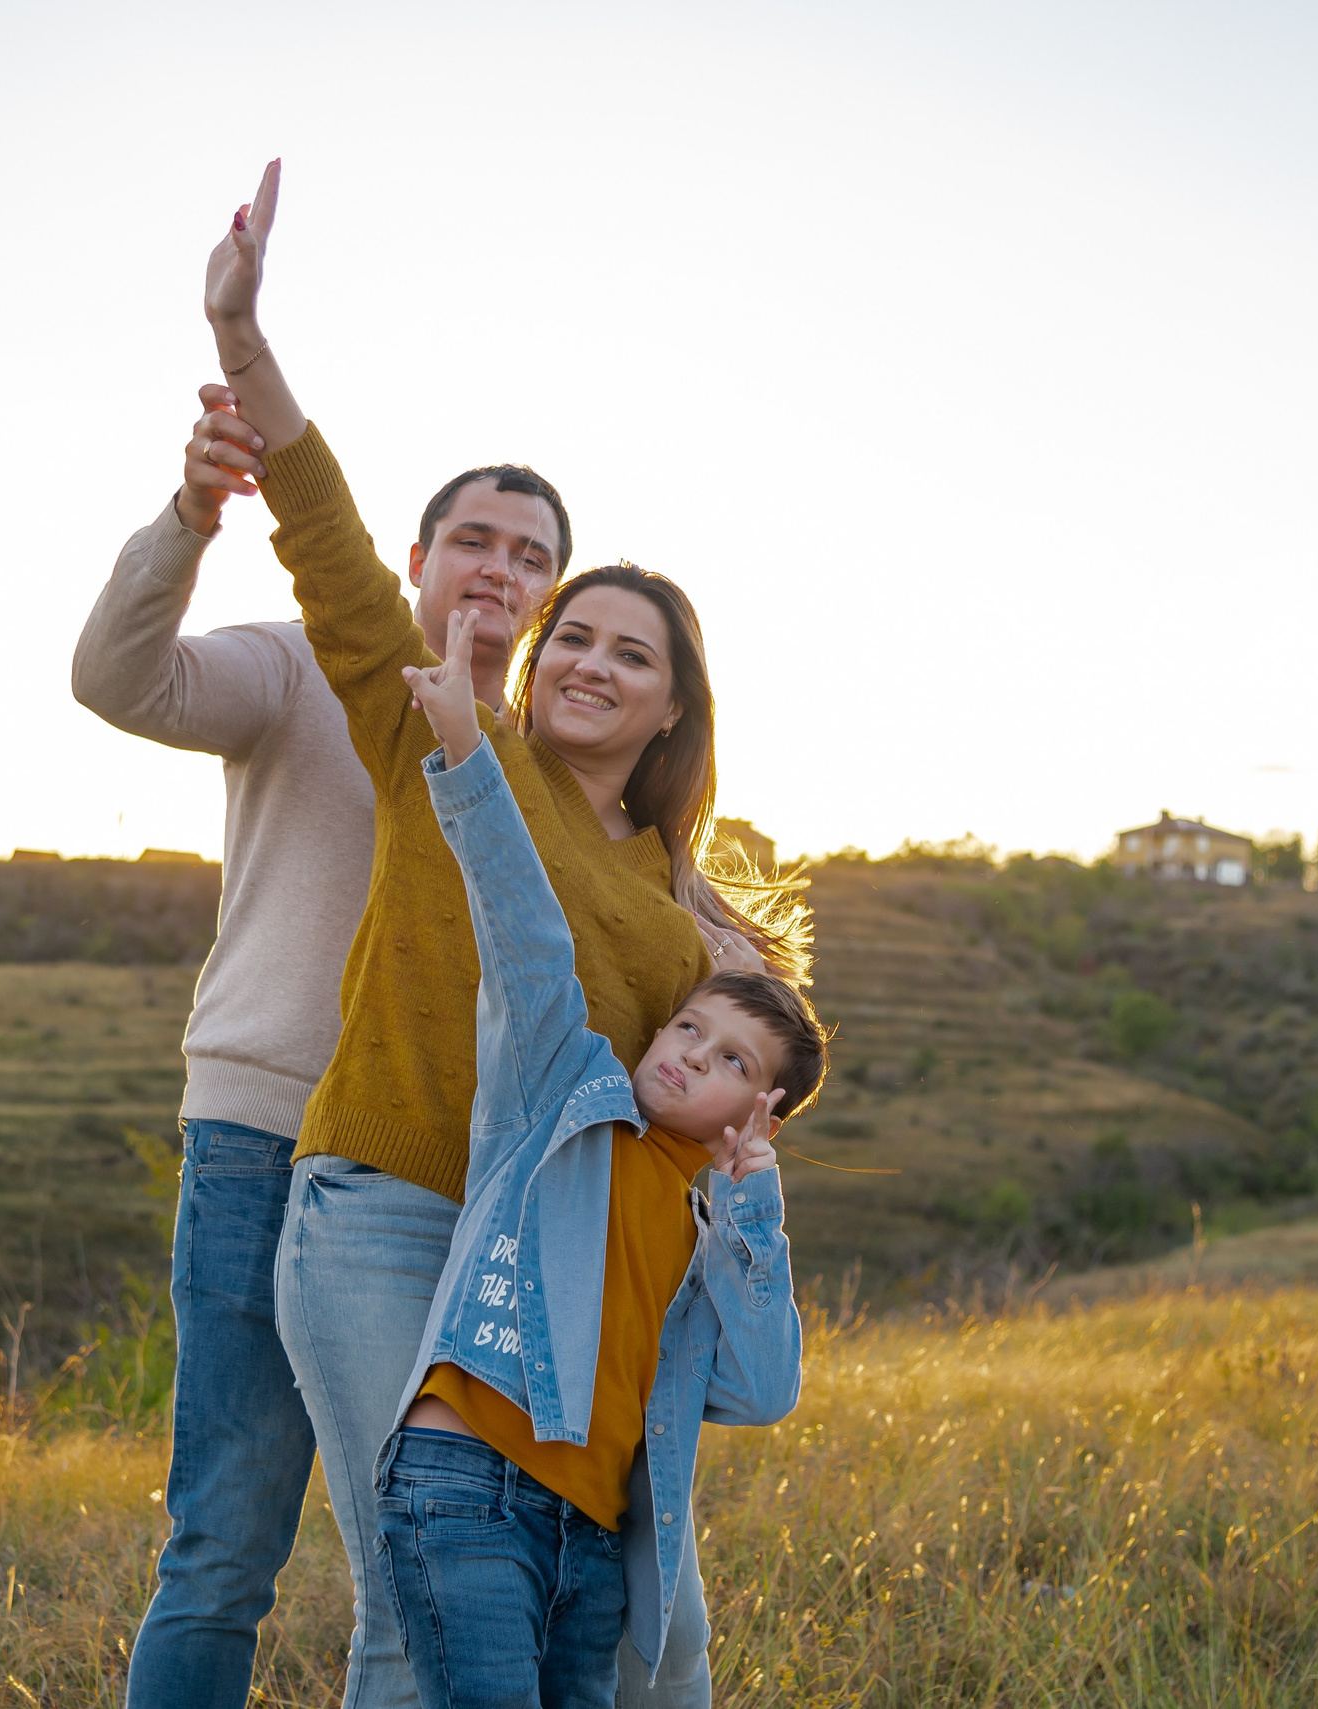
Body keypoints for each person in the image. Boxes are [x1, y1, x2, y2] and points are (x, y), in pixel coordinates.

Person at [195, 159, 810, 1707]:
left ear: (675, 704)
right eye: (572, 635)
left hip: (555, 1260)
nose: (589, 661)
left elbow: (734, 1078)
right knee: (416, 1602)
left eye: (631, 654)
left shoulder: (683, 912)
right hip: (386, 1209)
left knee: (606, 1625)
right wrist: (243, 336)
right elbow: (336, 553)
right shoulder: (448, 745)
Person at [72, 397, 568, 1700]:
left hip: (438, 1178)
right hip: (267, 1133)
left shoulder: (539, 761)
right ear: (414, 559)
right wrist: (191, 517)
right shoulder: (304, 668)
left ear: (550, 594)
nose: (498, 569)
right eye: (474, 540)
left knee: (424, 1547)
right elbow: (118, 680)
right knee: (224, 1542)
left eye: (530, 556)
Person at [379, 605, 818, 1707]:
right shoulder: (562, 1094)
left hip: (593, 1532)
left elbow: (762, 1390)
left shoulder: (708, 1235)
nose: (690, 1053)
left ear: (756, 1112)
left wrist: (755, 1215)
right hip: (465, 1481)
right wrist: (465, 749)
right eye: (689, 1026)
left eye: (729, 1059)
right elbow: (525, 931)